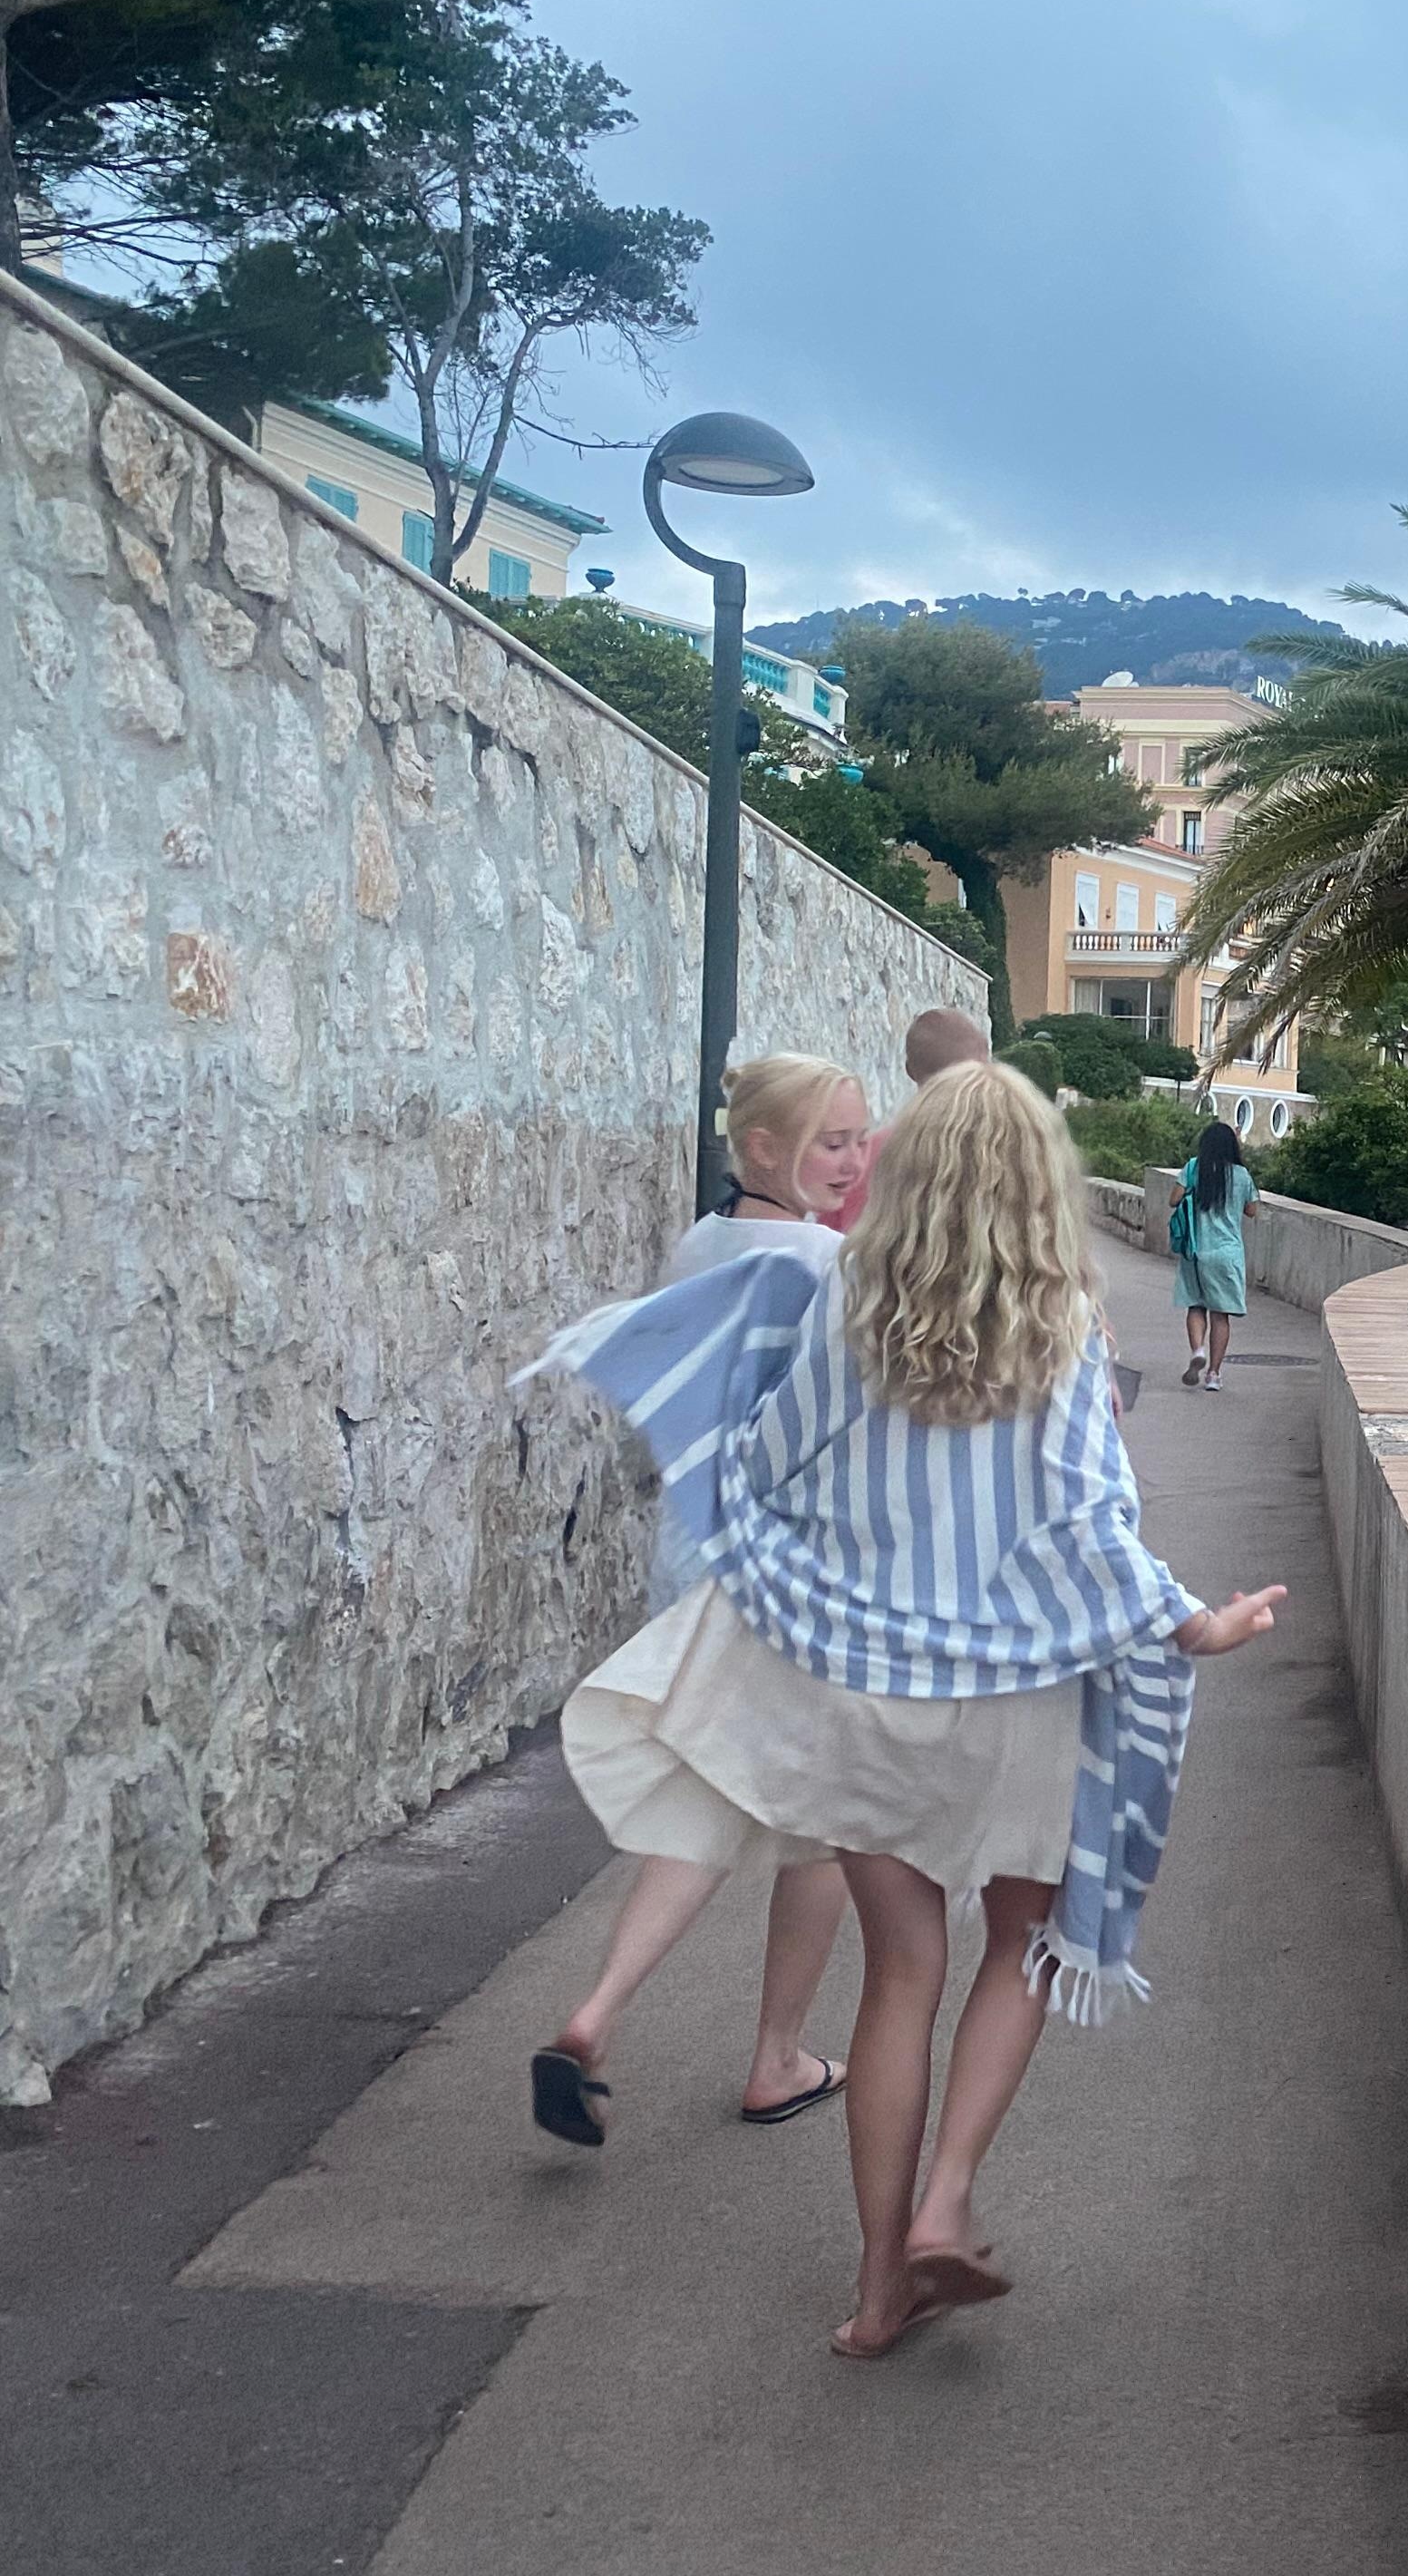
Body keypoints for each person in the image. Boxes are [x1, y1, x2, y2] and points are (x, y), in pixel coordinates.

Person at [528, 1063, 1283, 2358]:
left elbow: (764, 1471)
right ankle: (947, 2200)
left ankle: (879, 2293)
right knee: (1019, 1950)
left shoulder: (846, 1316)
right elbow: (1096, 1527)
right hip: (1023, 1699)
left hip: (871, 1698)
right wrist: (1193, 1623)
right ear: (1041, 1187)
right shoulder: (1064, 1333)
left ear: (909, 1175)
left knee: (899, 1974)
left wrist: (813, 1591)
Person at [535, 1055, 871, 2139]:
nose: (854, 1159)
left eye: (860, 1139)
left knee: (700, 1805)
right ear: (765, 1148)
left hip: (690, 1564)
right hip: (793, 1578)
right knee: (820, 1828)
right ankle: (777, 2057)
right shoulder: (827, 1262)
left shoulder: (701, 1241)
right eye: (831, 1140)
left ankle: (595, 2013)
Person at [821, 1006, 990, 1234]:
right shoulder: (1008, 1151)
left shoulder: (862, 1158)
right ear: (985, 1061)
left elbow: (830, 1246)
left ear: (909, 1070)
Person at [1171, 1119, 1257, 1388]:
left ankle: (1198, 1350)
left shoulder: (1193, 1168)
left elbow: (1173, 1199)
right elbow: (1252, 1210)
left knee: (1196, 1305)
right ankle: (1214, 1375)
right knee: (1221, 1314)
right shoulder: (1241, 1175)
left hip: (1196, 1251)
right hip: (1227, 1253)